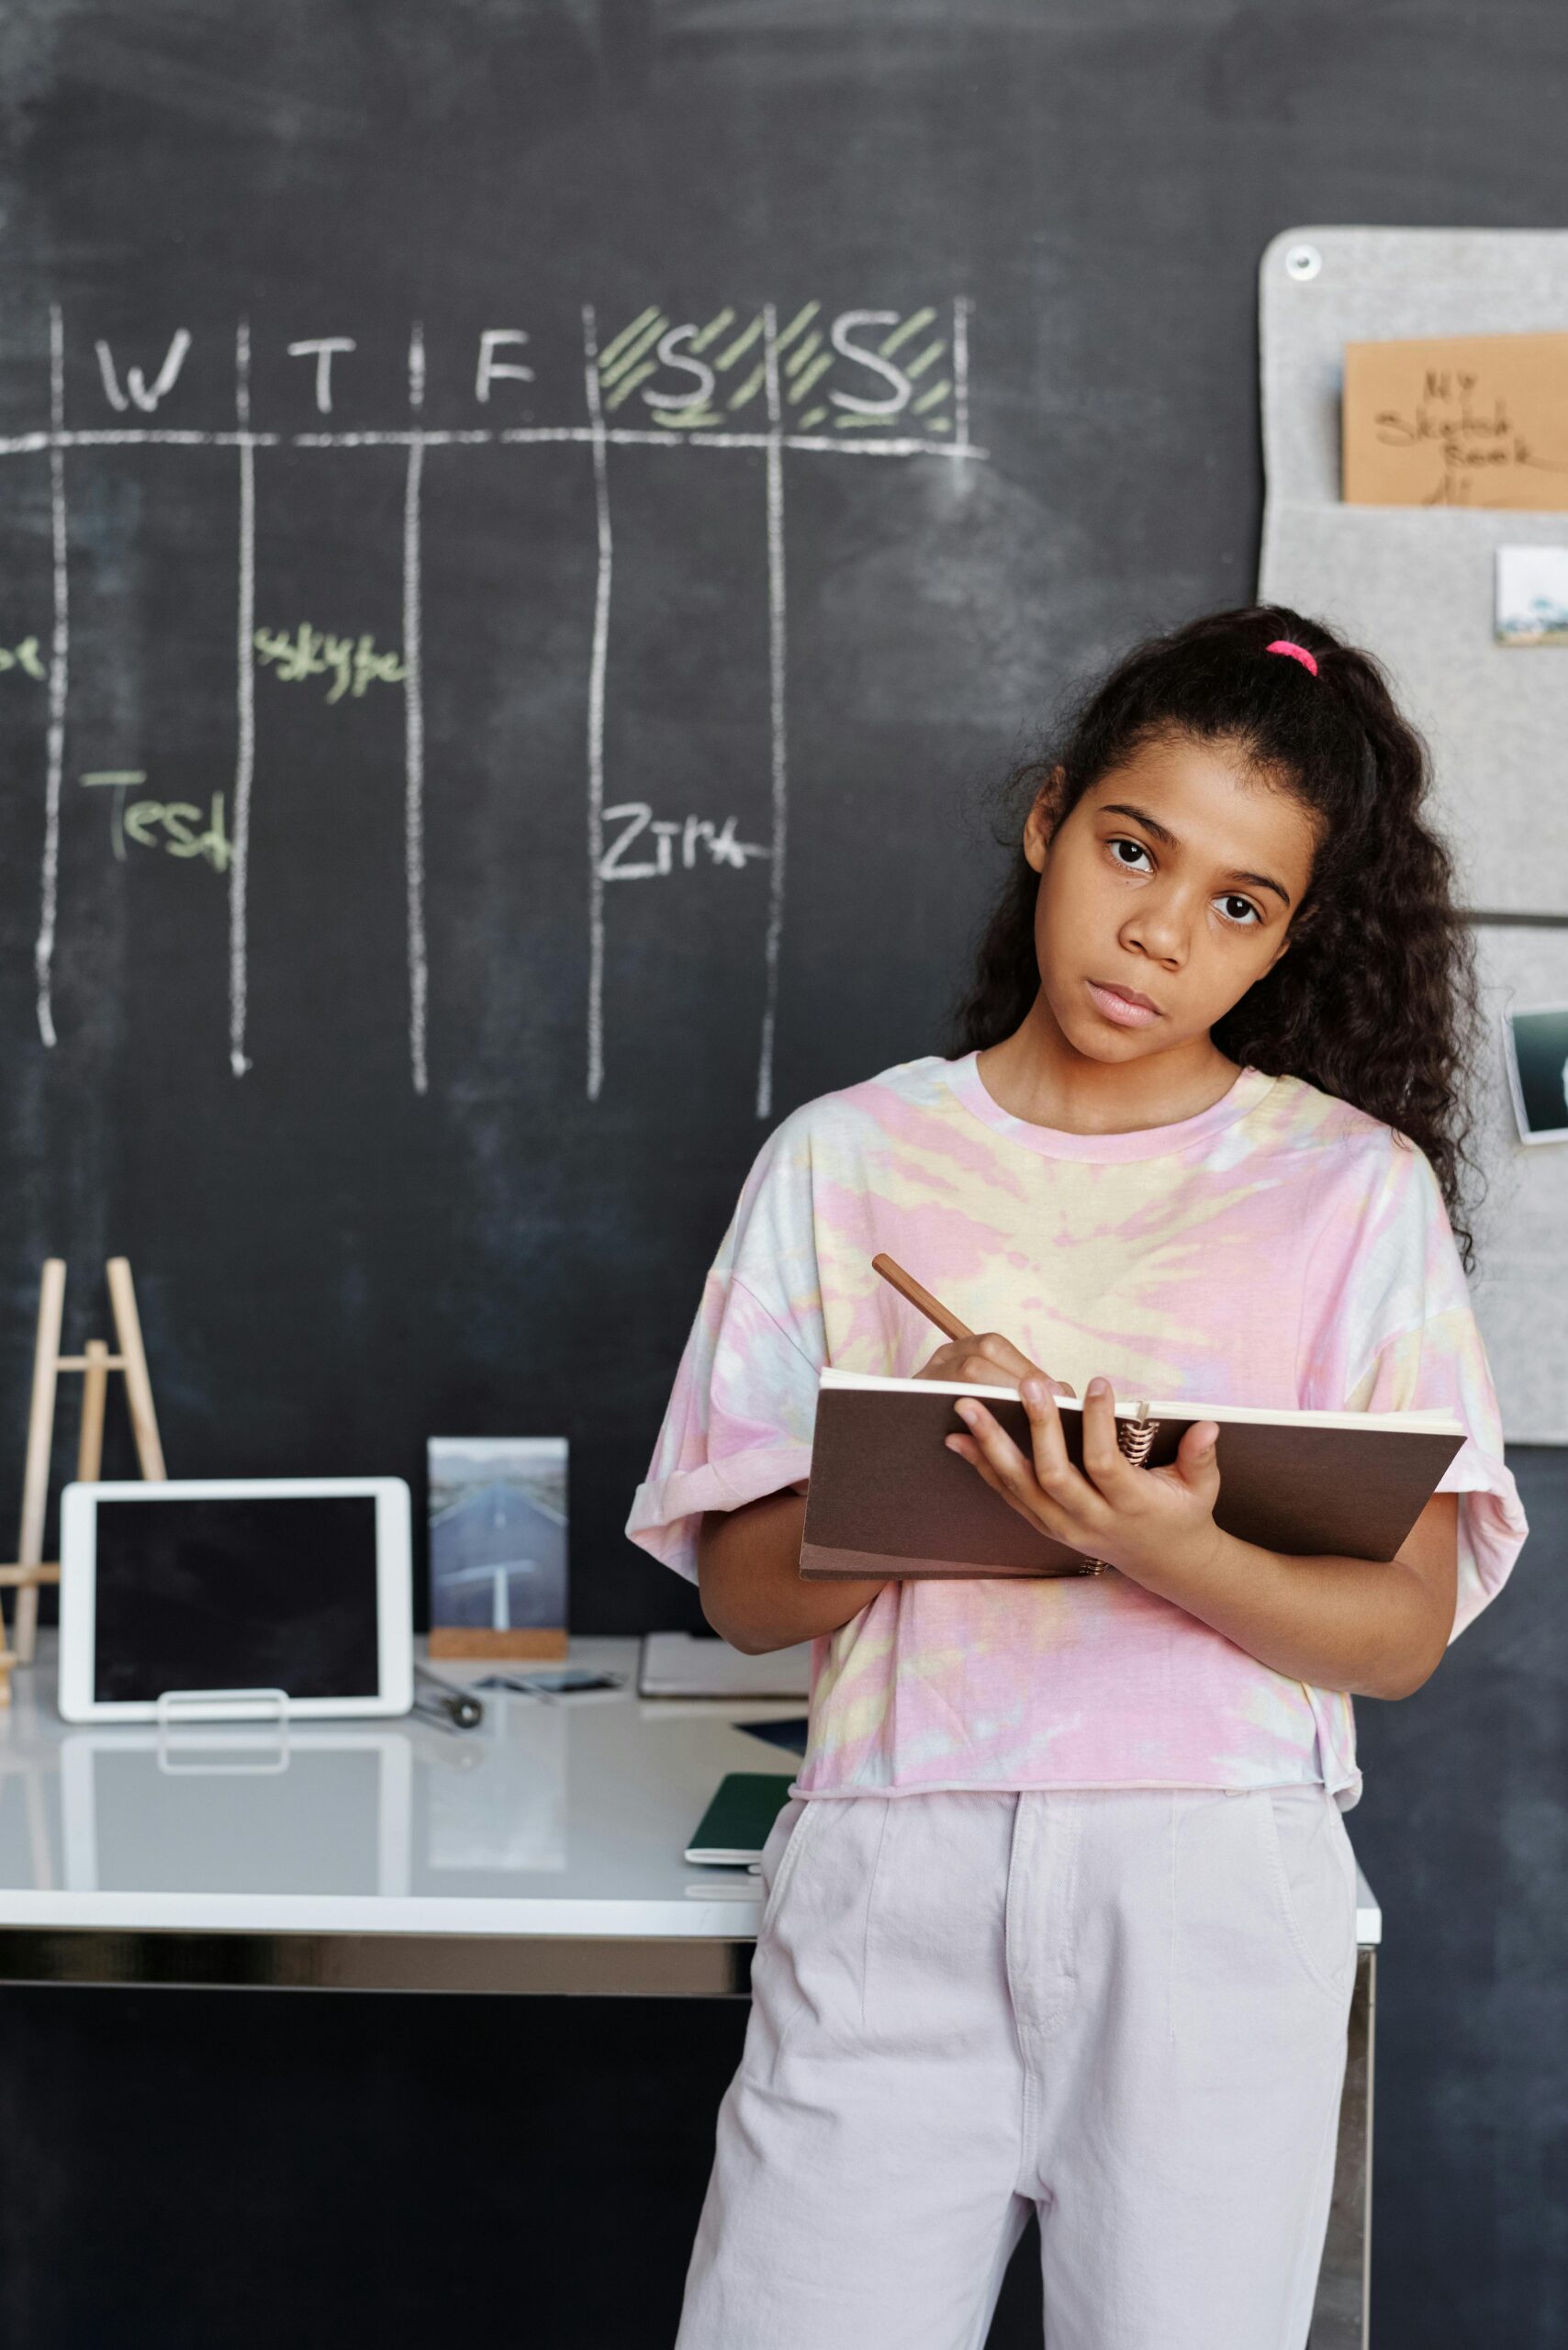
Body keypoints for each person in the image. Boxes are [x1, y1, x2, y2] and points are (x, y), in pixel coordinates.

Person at [627, 606, 1527, 2350]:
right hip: (895, 1871)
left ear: (1287, 945)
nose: (1157, 932)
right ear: (1052, 818)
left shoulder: (1353, 1193)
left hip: (1209, 1890)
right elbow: (742, 1595)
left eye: (1237, 905)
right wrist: (929, 1471)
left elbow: (1401, 1631)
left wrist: (1158, 1543)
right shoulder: (848, 1157)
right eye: (1132, 849)